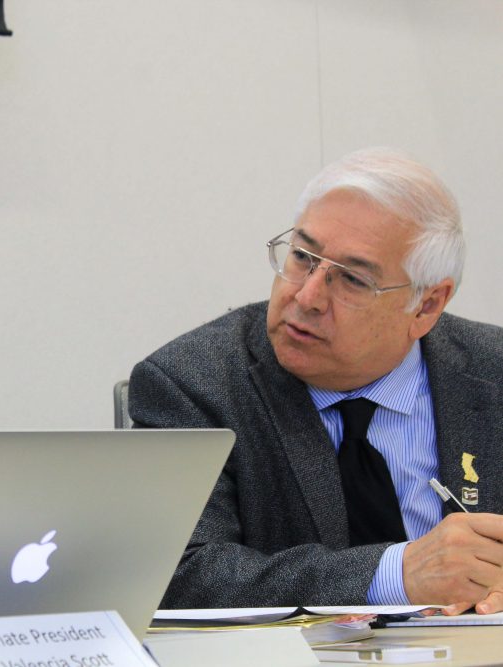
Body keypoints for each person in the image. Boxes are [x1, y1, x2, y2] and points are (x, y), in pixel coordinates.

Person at [130, 147, 503, 612]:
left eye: (351, 280)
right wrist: (395, 575)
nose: (306, 297)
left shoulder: (493, 373)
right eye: (303, 257)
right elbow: (176, 574)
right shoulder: (192, 384)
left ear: (426, 305)